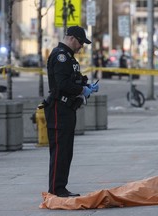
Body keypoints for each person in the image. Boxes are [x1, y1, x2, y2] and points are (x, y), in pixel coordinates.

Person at [44, 26, 99, 197]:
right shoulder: (61, 56)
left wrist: (85, 85)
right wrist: (82, 91)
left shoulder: (69, 58)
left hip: (67, 108)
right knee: (60, 150)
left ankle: (61, 187)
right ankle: (56, 189)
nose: (82, 46)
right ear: (73, 38)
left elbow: (72, 79)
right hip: (58, 108)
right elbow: (62, 84)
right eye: (81, 42)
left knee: (66, 150)